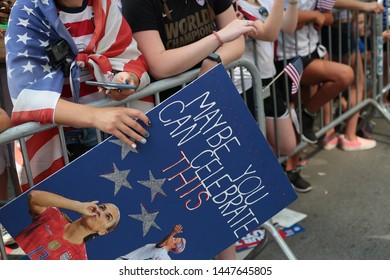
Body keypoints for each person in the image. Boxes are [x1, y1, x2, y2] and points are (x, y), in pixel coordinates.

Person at [122, 0, 256, 260]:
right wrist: (217, 39)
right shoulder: (137, 3)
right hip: (166, 117)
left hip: (210, 105)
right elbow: (159, 64)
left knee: (221, 192)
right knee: (187, 203)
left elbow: (237, 40)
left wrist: (214, 58)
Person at [6, 0, 152, 192]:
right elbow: (26, 96)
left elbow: (128, 56)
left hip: (114, 128)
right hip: (61, 140)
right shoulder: (27, 10)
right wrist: (97, 116)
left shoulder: (103, 4)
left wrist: (126, 80)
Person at [275, 0, 354, 192]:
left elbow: (329, 16)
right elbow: (286, 22)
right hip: (286, 58)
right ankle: (306, 116)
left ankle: (292, 169)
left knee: (300, 120)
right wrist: (313, 16)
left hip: (311, 51)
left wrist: (316, 17)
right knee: (344, 74)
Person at [233, 0, 298, 159]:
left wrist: (294, 4)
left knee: (287, 145)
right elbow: (269, 34)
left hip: (268, 78)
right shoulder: (235, 5)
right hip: (245, 82)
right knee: (256, 147)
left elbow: (288, 27)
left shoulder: (266, 1)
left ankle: (274, 176)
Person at [320, 0, 383, 151]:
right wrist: (365, 6)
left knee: (329, 81)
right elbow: (332, 1)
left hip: (329, 26)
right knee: (357, 82)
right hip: (340, 25)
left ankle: (329, 134)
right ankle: (350, 136)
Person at [14, 189, 120, 260]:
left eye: (107, 217)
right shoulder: (54, 216)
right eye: (101, 207)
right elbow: (33, 197)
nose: (100, 212)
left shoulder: (79, 260)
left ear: (102, 232)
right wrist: (77, 206)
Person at [116, 224, 186, 260]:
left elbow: (161, 244)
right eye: (174, 237)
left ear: (174, 246)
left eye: (174, 239)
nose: (172, 237)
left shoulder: (161, 250)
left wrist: (173, 232)